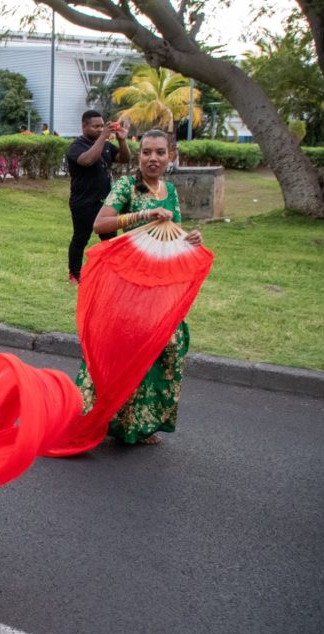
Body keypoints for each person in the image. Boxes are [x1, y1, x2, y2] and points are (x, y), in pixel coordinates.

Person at [78, 129, 203, 445]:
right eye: (147, 152)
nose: (153, 158)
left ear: (170, 155)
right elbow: (100, 224)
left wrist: (189, 238)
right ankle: (102, 415)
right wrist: (145, 213)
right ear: (139, 154)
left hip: (160, 284)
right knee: (127, 348)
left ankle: (139, 421)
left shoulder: (169, 190)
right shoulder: (126, 187)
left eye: (160, 152)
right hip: (128, 285)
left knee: (169, 345)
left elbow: (169, 231)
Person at [65, 110, 131, 284]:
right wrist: (103, 137)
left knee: (110, 240)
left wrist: (122, 140)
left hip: (106, 202)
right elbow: (87, 160)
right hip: (83, 202)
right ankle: (75, 274)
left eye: (102, 126)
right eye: (95, 126)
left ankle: (111, 273)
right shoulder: (76, 146)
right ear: (84, 126)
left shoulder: (107, 146)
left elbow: (124, 158)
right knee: (81, 238)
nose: (99, 129)